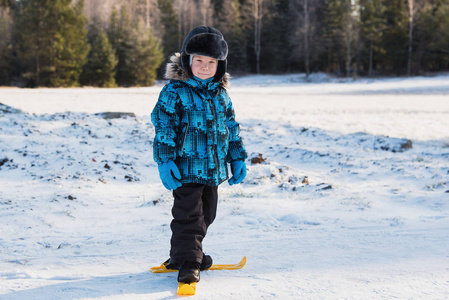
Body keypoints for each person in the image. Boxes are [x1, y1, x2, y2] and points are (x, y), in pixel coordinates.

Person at [151, 26, 248, 283]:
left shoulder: (221, 95)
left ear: (220, 64)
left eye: (211, 62)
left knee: (207, 214)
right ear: (187, 61)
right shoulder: (175, 92)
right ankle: (189, 263)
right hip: (186, 168)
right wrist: (165, 160)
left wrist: (237, 157)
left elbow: (231, 128)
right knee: (189, 216)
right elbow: (164, 127)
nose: (205, 67)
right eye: (199, 60)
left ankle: (182, 254)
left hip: (213, 170)